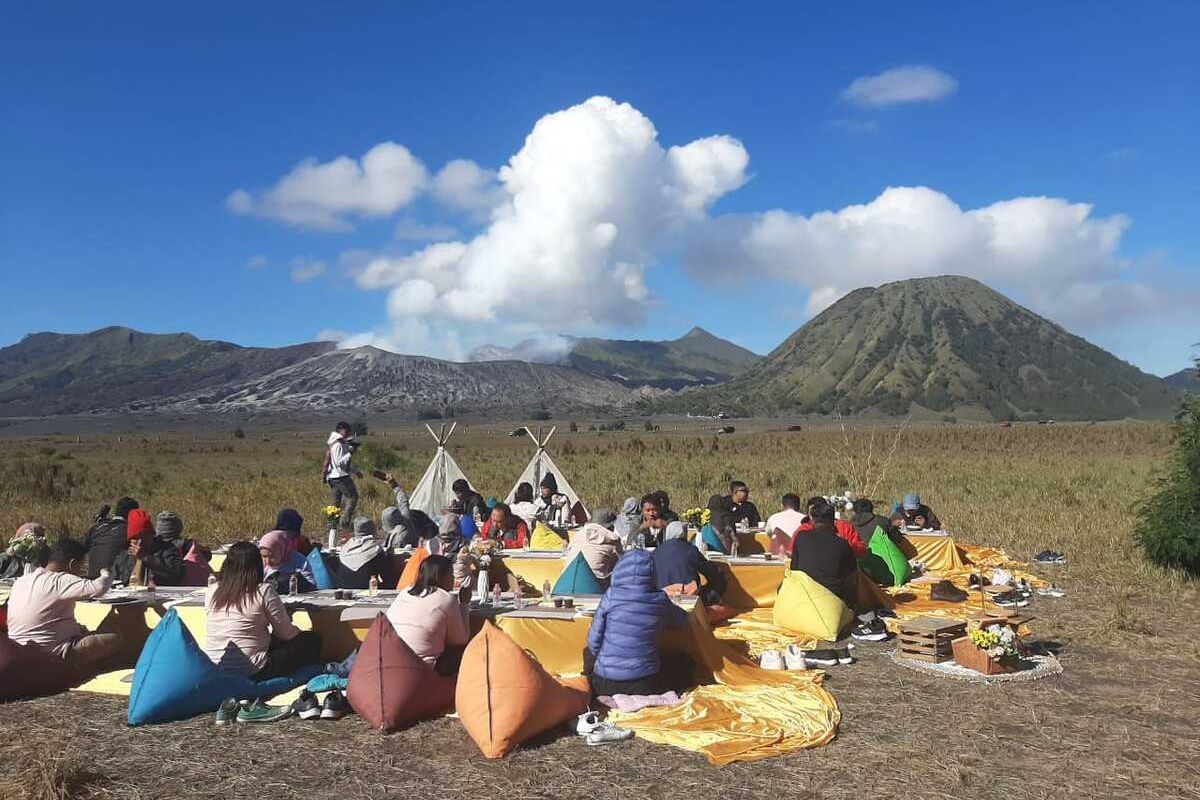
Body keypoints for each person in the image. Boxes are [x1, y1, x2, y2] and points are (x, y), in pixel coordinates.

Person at [205, 541, 321, 679]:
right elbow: (287, 634)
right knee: (312, 641)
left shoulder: (213, 590)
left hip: (215, 665)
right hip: (253, 669)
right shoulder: (263, 590)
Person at [585, 549, 693, 697]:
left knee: (587, 652)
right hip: (644, 684)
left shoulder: (611, 596)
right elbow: (682, 620)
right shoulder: (660, 600)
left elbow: (593, 642)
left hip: (605, 683)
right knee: (686, 662)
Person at [6, 538, 124, 671]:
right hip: (52, 653)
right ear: (72, 563)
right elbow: (99, 588)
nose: (80, 572)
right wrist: (107, 573)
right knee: (115, 638)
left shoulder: (22, 580)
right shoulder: (61, 580)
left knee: (82, 629)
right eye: (80, 567)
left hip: (17, 649)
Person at [790, 505, 888, 641]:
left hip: (804, 593)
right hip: (832, 596)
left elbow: (793, 568)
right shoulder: (842, 544)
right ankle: (867, 620)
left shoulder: (800, 537)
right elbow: (851, 571)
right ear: (833, 521)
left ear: (812, 520)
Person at [385, 555, 471, 676]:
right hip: (422, 669)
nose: (453, 579)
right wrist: (464, 604)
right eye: (451, 575)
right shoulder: (446, 599)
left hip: (389, 661)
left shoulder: (405, 591)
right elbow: (461, 640)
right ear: (442, 577)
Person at [653, 521, 726, 605]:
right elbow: (713, 573)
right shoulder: (690, 550)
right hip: (687, 597)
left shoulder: (656, 551)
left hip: (661, 598)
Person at [112, 508, 185, 586]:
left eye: (144, 537)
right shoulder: (123, 556)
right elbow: (115, 577)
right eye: (136, 538)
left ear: (151, 535)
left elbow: (176, 573)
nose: (140, 542)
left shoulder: (168, 549)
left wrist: (146, 557)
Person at [82, 496, 139, 578]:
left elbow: (77, 547)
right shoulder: (130, 530)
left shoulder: (98, 528)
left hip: (93, 580)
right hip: (115, 580)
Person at [563, 509, 624, 583]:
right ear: (611, 526)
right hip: (593, 586)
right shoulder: (612, 539)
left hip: (566, 581)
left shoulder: (578, 534)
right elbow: (621, 565)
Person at [336, 517, 396, 590]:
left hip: (343, 589)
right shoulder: (375, 549)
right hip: (367, 589)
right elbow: (387, 576)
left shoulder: (345, 548)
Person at [797, 497, 867, 558]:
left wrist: (845, 545)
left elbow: (861, 549)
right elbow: (791, 552)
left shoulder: (843, 526)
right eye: (813, 514)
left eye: (821, 512)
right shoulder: (803, 530)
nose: (818, 517)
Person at [323, 422, 362, 530]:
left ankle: (331, 525)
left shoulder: (333, 443)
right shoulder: (339, 445)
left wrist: (355, 470)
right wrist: (350, 452)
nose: (348, 433)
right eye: (346, 430)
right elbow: (341, 463)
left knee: (335, 502)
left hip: (332, 477)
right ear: (340, 430)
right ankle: (344, 523)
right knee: (352, 497)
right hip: (341, 476)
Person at [258, 530, 315, 594]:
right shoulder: (259, 564)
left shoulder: (298, 560)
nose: (267, 561)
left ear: (282, 549)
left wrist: (293, 580)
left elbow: (311, 585)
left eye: (272, 556)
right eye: (264, 556)